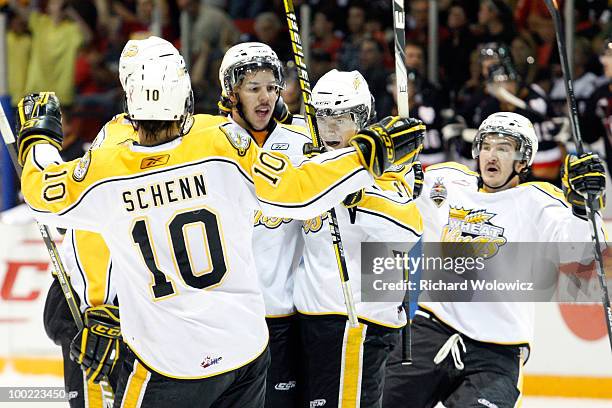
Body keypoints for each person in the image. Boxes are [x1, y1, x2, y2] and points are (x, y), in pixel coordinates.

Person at [16, 43, 425, 408]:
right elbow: (300, 191)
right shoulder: (222, 142)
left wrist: (39, 137)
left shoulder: (105, 167)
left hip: (169, 358)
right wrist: (366, 154)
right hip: (244, 350)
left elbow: (41, 193)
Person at [383, 112, 606, 408]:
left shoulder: (538, 200)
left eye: (504, 148)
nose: (492, 155)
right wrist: (391, 165)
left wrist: (583, 206)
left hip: (498, 347)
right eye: (487, 146)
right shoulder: (446, 181)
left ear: (523, 160)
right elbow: (390, 198)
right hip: (432, 328)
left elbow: (584, 254)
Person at [41, 36, 192, 408]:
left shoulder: (169, 139)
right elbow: (92, 233)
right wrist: (98, 306)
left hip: (135, 310)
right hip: (105, 314)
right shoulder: (122, 140)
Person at [295, 69, 424, 408]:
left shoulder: (387, 166)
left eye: (343, 117)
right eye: (324, 117)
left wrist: (355, 191)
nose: (332, 129)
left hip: (356, 321)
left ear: (363, 117)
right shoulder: (311, 158)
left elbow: (407, 233)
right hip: (312, 321)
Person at [217, 41, 309, 407]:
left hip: (282, 318)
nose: (265, 97)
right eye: (253, 87)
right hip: (227, 318)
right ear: (231, 92)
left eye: (272, 87)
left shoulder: (303, 142)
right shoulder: (210, 144)